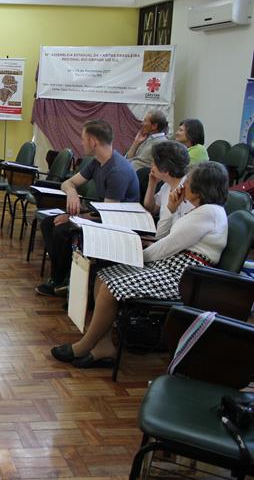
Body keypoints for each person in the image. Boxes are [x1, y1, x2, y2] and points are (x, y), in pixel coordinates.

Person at [51, 161, 229, 368]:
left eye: (188, 181)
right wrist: (171, 209)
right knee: (103, 276)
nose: (183, 185)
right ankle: (103, 346)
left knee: (109, 287)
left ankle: (85, 344)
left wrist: (134, 256)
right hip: (173, 265)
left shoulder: (208, 213)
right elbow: (164, 236)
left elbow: (166, 246)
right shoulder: (201, 210)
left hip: (185, 276)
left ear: (199, 189)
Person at [36, 120, 139, 296]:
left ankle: (61, 280)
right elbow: (67, 183)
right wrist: (72, 193)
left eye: (83, 139)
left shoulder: (118, 170)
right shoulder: (97, 162)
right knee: (48, 223)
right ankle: (62, 276)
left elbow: (109, 216)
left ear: (93, 141)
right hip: (101, 213)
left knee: (62, 230)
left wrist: (73, 218)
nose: (81, 142)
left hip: (118, 224)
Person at [143, 141, 194, 228]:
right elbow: (152, 209)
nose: (151, 165)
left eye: (154, 163)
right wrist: (152, 184)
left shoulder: (185, 193)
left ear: (165, 171)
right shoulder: (167, 185)